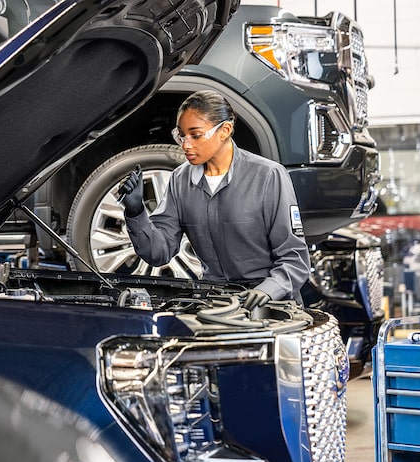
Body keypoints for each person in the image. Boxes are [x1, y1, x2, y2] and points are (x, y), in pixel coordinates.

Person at [117, 90, 310, 310]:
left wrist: (268, 290)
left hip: (272, 307)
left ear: (225, 130)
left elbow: (295, 259)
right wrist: (136, 211)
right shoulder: (180, 180)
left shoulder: (268, 176)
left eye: (195, 135)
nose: (185, 144)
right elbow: (159, 253)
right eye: (180, 135)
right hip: (215, 306)